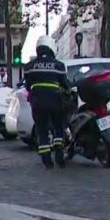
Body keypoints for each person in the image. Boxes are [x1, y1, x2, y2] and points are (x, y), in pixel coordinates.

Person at [24, 35, 71, 169]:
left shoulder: (29, 66)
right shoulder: (59, 65)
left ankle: (47, 161)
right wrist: (68, 94)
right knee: (58, 128)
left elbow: (28, 86)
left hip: (38, 102)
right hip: (55, 101)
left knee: (42, 130)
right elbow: (66, 85)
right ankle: (59, 156)